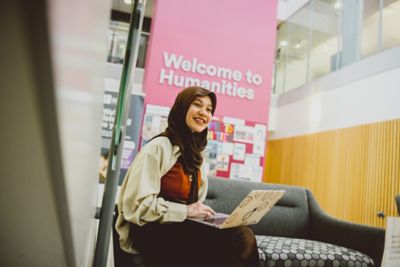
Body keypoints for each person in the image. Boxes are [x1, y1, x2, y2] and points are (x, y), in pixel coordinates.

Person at [116, 86, 260, 267]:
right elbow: (136, 206)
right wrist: (186, 211)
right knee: (240, 238)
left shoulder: (196, 156)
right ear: (182, 107)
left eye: (209, 109)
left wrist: (203, 214)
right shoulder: (158, 148)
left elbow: (193, 205)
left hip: (181, 228)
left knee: (240, 234)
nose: (203, 112)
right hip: (152, 231)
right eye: (197, 104)